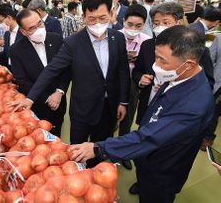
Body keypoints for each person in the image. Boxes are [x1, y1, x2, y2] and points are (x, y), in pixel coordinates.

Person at [68, 26, 215, 203]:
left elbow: (150, 138)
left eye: (162, 60)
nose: (156, 66)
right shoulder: (180, 77)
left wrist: (98, 148)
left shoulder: (193, 106)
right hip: (148, 158)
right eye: (156, 57)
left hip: (163, 170)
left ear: (189, 64)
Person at [8, 0, 130, 168]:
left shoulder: (117, 38)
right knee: (76, 152)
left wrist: (123, 102)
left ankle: (95, 172)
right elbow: (52, 69)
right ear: (84, 17)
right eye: (91, 19)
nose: (97, 24)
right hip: (83, 109)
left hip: (109, 107)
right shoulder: (73, 43)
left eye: (102, 18)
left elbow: (122, 71)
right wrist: (30, 98)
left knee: (100, 146)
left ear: (112, 15)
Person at [130, 2, 215, 195]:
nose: (159, 26)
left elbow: (207, 84)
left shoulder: (194, 49)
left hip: (173, 119)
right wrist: (141, 79)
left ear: (178, 22)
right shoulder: (149, 45)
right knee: (145, 151)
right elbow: (139, 70)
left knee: (161, 157)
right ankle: (142, 180)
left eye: (165, 22)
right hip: (150, 106)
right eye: (156, 22)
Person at [9, 9, 70, 137]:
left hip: (59, 100)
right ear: (23, 32)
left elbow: (66, 69)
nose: (39, 29)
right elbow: (22, 81)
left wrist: (59, 92)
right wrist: (47, 98)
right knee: (40, 138)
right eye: (32, 28)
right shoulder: (16, 50)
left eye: (40, 24)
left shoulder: (57, 39)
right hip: (37, 104)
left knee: (57, 133)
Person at [118, 4, 151, 170]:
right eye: (129, 24)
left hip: (133, 84)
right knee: (109, 115)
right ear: (123, 21)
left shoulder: (146, 41)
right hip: (114, 81)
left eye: (138, 26)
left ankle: (123, 151)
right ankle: (105, 147)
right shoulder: (114, 36)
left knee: (128, 117)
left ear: (144, 25)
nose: (133, 29)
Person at [202, 35, 221, 149]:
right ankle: (207, 137)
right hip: (218, 84)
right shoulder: (219, 39)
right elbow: (209, 59)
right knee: (214, 110)